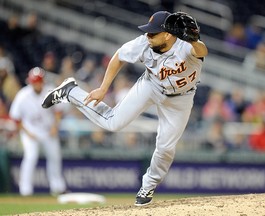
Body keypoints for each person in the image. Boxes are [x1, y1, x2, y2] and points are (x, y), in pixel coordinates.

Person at [42, 11, 208, 206]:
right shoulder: (143, 43)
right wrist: (104, 88)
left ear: (168, 35)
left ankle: (147, 187)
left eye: (153, 33)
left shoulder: (185, 46)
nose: (148, 35)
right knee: (113, 122)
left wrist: (195, 41)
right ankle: (70, 92)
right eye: (148, 31)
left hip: (181, 99)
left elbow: (202, 51)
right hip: (151, 85)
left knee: (166, 147)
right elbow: (118, 56)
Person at [9, 67, 67, 196]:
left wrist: (55, 126)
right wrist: (27, 132)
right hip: (30, 131)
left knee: (55, 157)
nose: (36, 84)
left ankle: (57, 187)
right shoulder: (23, 95)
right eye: (34, 82)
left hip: (48, 130)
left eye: (38, 81)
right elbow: (16, 118)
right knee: (30, 157)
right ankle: (25, 190)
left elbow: (58, 111)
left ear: (43, 81)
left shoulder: (50, 91)